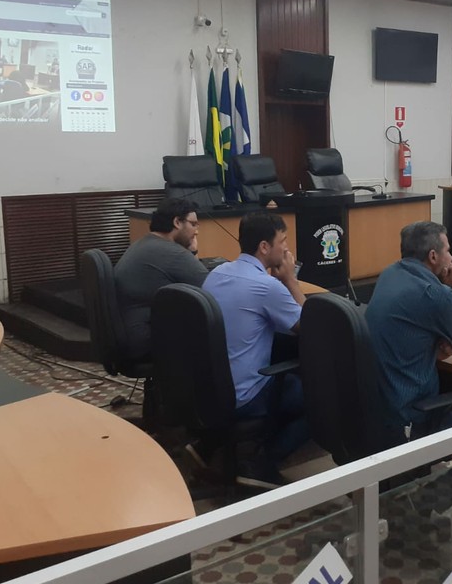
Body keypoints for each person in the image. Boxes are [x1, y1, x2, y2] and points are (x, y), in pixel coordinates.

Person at [202, 210, 308, 486]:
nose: (287, 249)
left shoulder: (216, 273)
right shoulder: (267, 286)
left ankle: (213, 446)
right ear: (264, 247)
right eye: (282, 241)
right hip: (244, 396)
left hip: (209, 389)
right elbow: (312, 327)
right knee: (320, 398)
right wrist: (291, 281)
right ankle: (260, 464)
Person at [365, 222, 452, 432]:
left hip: (380, 405)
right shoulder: (435, 294)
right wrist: (447, 290)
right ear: (433, 256)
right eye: (448, 251)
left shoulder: (389, 274)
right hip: (412, 413)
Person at [114, 198, 208, 361]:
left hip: (132, 335)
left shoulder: (143, 244)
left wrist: (191, 253)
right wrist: (192, 252)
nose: (196, 231)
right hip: (148, 341)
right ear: (177, 222)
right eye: (193, 224)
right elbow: (212, 289)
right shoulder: (172, 253)